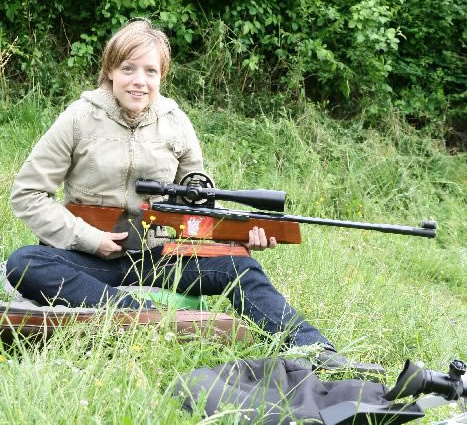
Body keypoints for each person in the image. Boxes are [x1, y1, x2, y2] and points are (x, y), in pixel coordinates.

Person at [7, 20, 383, 374]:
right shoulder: (78, 118)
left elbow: (197, 204)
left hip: (155, 256)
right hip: (86, 257)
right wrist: (91, 238)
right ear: (110, 71)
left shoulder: (175, 122)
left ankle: (314, 350)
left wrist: (239, 235)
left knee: (240, 267)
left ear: (162, 75)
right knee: (24, 262)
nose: (139, 81)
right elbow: (28, 194)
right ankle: (140, 313)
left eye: (150, 71)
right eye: (128, 69)